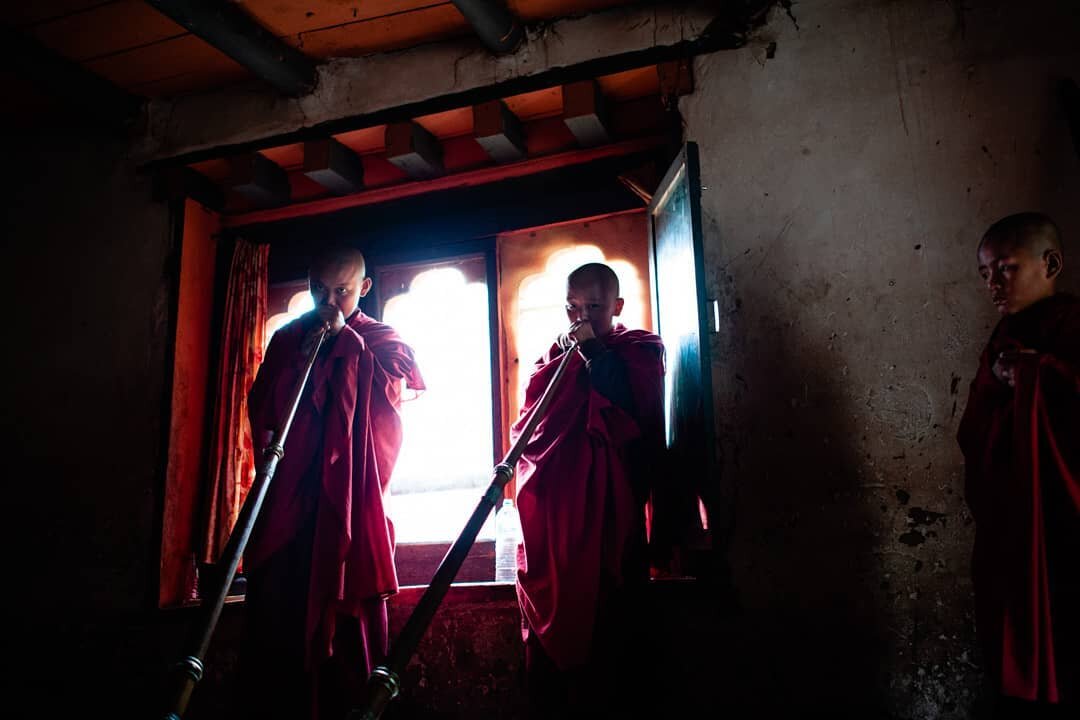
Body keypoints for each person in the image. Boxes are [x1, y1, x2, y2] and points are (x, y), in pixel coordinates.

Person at [240, 245, 424, 720]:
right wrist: (303, 362)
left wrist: (345, 348)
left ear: (363, 289)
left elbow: (384, 421)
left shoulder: (382, 341)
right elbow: (263, 413)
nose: (327, 302)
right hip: (290, 513)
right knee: (278, 638)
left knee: (346, 650)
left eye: (341, 291)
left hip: (348, 509)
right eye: (318, 290)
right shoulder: (287, 340)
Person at [511, 262, 665, 718]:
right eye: (572, 307)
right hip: (556, 526)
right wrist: (570, 355)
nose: (580, 318)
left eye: (593, 307)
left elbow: (635, 419)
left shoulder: (638, 350)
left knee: (611, 634)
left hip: (610, 518)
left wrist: (594, 352)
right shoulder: (552, 362)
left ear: (617, 306)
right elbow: (531, 436)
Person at [957, 212, 1079, 719]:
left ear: (1050, 263)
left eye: (1005, 269)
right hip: (1010, 528)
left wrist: (1035, 375)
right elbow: (975, 431)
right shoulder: (1003, 337)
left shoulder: (1072, 326)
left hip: (1061, 531)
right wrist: (1003, 381)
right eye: (985, 273)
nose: (993, 285)